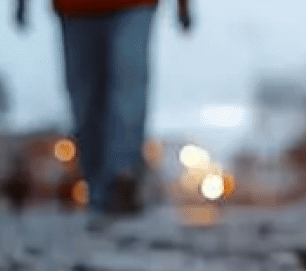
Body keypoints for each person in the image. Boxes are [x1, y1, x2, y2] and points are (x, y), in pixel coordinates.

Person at [15, 0, 192, 230]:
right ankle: (99, 190)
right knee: (86, 98)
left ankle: (121, 177)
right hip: (75, 8)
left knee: (129, 86)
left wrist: (184, 5)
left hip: (135, 4)